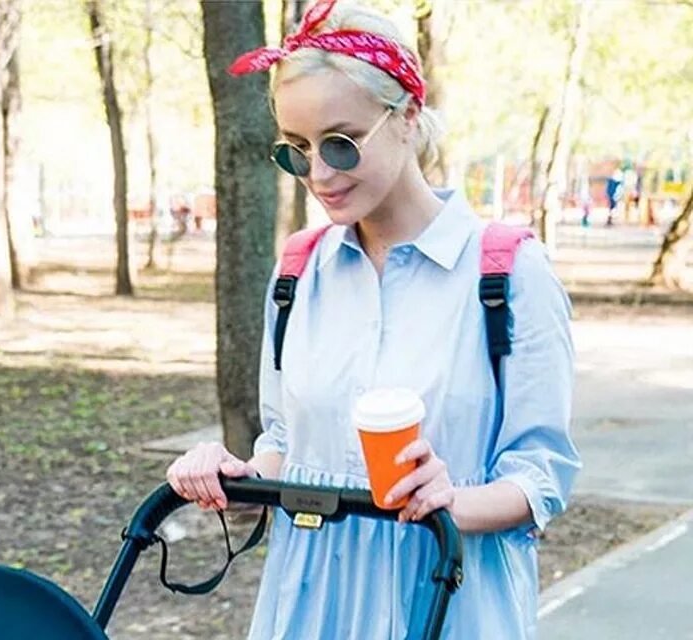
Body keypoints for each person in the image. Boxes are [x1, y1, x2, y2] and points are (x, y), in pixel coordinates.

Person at [165, 1, 580, 638]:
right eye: (297, 152)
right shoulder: (299, 272)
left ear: (408, 118)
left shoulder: (507, 273)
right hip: (310, 603)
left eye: (340, 142)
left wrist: (452, 502)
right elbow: (283, 443)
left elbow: (540, 477)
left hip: (449, 598)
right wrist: (236, 476)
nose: (321, 175)